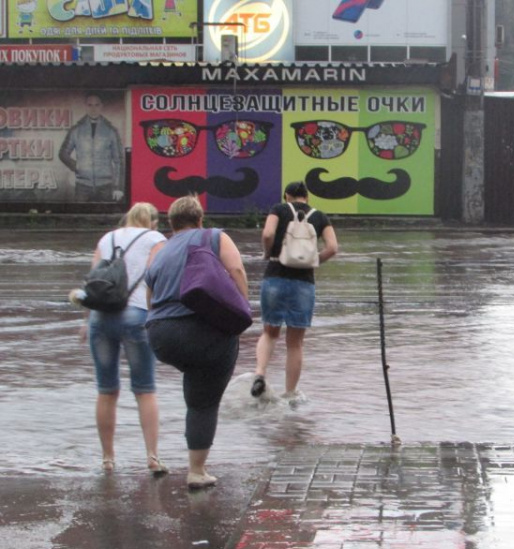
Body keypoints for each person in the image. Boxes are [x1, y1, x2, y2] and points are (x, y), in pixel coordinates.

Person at [145, 195, 248, 490]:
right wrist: (242, 307)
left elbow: (150, 296)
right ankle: (196, 471)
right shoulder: (214, 237)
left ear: (171, 224)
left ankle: (188, 459)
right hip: (203, 331)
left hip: (161, 336)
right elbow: (237, 270)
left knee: (196, 377)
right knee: (203, 402)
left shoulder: (160, 250)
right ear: (200, 219)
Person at [73, 202, 168, 475]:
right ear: (152, 221)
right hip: (137, 317)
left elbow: (93, 284)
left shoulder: (107, 238)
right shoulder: (155, 239)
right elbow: (156, 278)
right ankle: (152, 456)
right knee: (145, 389)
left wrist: (85, 322)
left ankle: (107, 459)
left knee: (106, 390)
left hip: (101, 318)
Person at [251, 181, 338, 403]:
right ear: (307, 197)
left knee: (269, 332)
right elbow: (333, 248)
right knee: (295, 343)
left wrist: (268, 253)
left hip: (275, 276)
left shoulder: (278, 210)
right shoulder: (320, 217)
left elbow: (268, 233)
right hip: (304, 282)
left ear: (286, 196)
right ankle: (290, 394)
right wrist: (313, 260)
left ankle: (260, 373)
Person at [59, 92, 124, 203]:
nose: (93, 108)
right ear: (86, 106)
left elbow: (118, 160)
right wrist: (76, 166)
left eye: (96, 105)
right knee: (79, 218)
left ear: (101, 106)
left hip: (106, 185)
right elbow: (63, 153)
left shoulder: (111, 131)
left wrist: (118, 187)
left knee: (105, 218)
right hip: (83, 185)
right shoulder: (76, 130)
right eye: (90, 105)